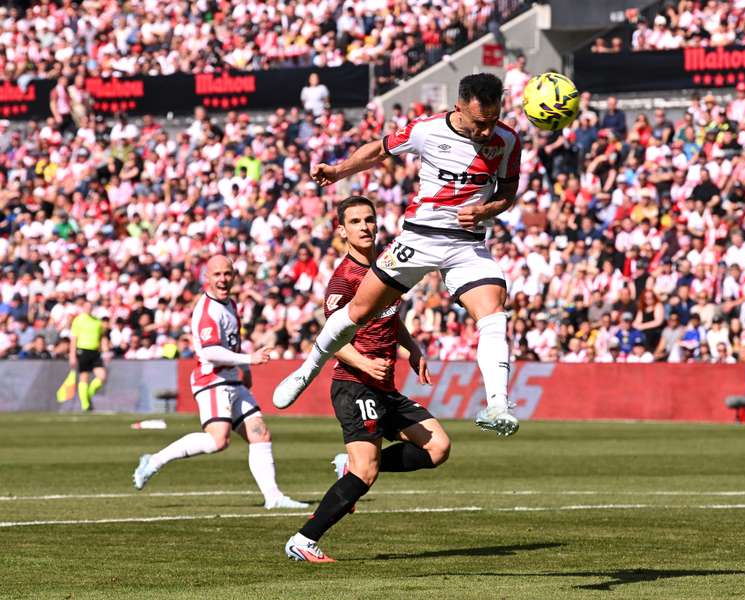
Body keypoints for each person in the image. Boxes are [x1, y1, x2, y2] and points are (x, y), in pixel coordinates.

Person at [274, 74, 522, 436]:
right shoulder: (427, 130)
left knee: (494, 314)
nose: (486, 131)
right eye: (479, 123)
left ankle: (498, 403)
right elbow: (377, 151)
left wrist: (485, 212)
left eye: (492, 121)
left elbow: (508, 193)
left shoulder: (508, 140)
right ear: (459, 109)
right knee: (358, 311)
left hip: (466, 244)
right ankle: (307, 369)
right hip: (419, 238)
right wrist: (339, 170)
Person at [284, 196, 450, 563]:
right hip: (354, 382)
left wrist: (412, 348)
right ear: (342, 231)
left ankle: (351, 466)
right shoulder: (344, 280)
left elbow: (389, 316)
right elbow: (330, 339)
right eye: (355, 221)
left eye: (369, 220)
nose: (364, 227)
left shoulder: (384, 271)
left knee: (437, 447)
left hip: (384, 386)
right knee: (367, 471)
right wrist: (364, 363)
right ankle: (303, 539)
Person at [132, 255, 308, 511]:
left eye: (227, 274)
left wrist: (244, 368)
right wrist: (249, 359)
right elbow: (211, 351)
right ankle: (154, 461)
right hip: (212, 379)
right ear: (207, 278)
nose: (223, 279)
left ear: (234, 275)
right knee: (218, 441)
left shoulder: (229, 304)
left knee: (260, 433)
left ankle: (273, 497)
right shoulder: (207, 310)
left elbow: (231, 342)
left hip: (231, 378)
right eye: (217, 275)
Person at [68, 296, 107, 411]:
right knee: (83, 376)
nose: (88, 309)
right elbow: (74, 338)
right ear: (83, 308)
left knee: (102, 376)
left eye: (90, 307)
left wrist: (105, 351)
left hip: (95, 351)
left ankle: (88, 395)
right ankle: (85, 404)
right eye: (86, 307)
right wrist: (72, 355)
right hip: (83, 350)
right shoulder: (78, 320)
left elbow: (102, 337)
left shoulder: (97, 321)